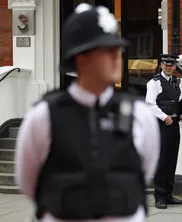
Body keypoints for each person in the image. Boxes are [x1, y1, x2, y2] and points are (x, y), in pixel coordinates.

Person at [15, 3, 160, 222]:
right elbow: (28, 180)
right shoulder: (45, 116)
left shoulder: (139, 114)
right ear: (81, 57)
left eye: (117, 49)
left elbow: (144, 171)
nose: (116, 56)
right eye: (107, 50)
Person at [145, 54, 182, 209]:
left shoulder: (177, 82)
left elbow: (180, 100)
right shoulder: (154, 82)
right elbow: (150, 104)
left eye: (172, 65)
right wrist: (164, 117)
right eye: (166, 64)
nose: (169, 67)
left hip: (174, 123)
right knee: (162, 160)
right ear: (161, 65)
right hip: (162, 125)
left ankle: (169, 194)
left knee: (171, 160)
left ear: (175, 66)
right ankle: (160, 196)